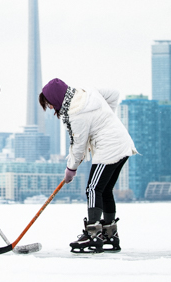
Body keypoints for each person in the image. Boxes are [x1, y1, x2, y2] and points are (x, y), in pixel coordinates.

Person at [39, 78, 137, 253]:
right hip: (123, 143)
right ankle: (109, 234)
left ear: (56, 98)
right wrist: (107, 118)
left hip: (109, 147)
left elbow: (78, 146)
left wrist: (71, 169)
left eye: (50, 103)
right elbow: (113, 94)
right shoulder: (87, 92)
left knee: (93, 189)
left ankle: (92, 234)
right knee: (104, 190)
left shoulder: (75, 113)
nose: (52, 107)